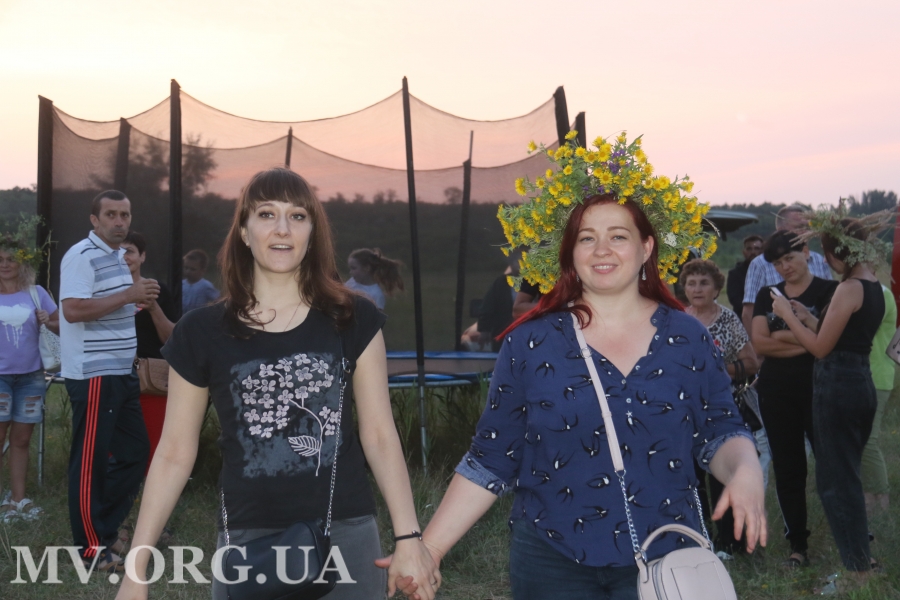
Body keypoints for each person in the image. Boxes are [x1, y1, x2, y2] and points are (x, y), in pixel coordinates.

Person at [387, 184, 766, 599]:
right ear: (570, 253)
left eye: (617, 236)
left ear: (646, 248)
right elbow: (491, 457)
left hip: (667, 556)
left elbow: (719, 431)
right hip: (552, 561)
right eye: (587, 238)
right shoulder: (530, 342)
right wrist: (431, 549)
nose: (602, 249)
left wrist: (746, 471)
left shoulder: (688, 337)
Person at [115, 168, 438, 600]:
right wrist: (136, 570)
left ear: (312, 232)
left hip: (345, 535)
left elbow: (379, 435)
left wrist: (409, 538)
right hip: (248, 542)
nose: (282, 228)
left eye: (297, 216)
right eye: (266, 214)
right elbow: (174, 452)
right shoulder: (201, 331)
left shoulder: (353, 318)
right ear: (244, 232)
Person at [770, 209, 891, 588]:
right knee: (847, 477)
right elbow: (843, 336)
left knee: (837, 484)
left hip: (837, 387)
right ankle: (862, 561)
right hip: (859, 383)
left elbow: (822, 349)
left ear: (838, 253)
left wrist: (786, 315)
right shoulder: (872, 285)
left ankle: (857, 571)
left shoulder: (848, 288)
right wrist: (808, 318)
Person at [59, 190, 157, 571]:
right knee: (90, 463)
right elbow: (72, 310)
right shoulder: (81, 256)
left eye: (125, 215)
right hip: (94, 374)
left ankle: (105, 530)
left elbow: (107, 306)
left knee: (135, 453)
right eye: (111, 215)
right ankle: (90, 550)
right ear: (94, 220)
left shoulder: (117, 257)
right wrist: (129, 294)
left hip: (121, 371)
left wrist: (135, 300)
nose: (119, 222)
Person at [750, 230, 837, 568]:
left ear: (806, 251)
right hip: (776, 392)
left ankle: (847, 537)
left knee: (831, 466)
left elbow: (831, 341)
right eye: (777, 263)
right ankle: (797, 545)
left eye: (789, 258)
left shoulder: (829, 291)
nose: (784, 267)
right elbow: (760, 343)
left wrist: (785, 334)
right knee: (788, 469)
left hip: (819, 389)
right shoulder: (768, 295)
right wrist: (810, 341)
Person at [680, 258, 760, 558]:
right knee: (690, 477)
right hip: (683, 412)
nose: (697, 289)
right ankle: (699, 540)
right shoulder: (677, 319)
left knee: (721, 475)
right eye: (691, 283)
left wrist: (717, 372)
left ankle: (730, 543)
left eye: (704, 283)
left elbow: (751, 363)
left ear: (716, 289)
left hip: (719, 410)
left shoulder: (727, 320)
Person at [0, 217, 59, 522]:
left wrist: (48, 320)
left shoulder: (36, 292)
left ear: (22, 262)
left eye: (11, 259)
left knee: (22, 439)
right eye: (0, 259)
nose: (5, 264)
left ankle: (18, 498)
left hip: (32, 377)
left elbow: (61, 324)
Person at [121, 231, 177, 469]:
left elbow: (171, 339)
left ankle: (152, 480)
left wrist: (153, 308)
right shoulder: (101, 292)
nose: (123, 257)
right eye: (117, 252)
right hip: (113, 372)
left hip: (149, 376)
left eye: (129, 251)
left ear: (142, 256)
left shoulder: (157, 290)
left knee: (153, 433)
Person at [740, 205, 832, 334]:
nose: (805, 232)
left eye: (807, 227)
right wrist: (757, 344)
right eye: (799, 227)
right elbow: (749, 311)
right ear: (781, 230)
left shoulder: (820, 260)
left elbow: (832, 307)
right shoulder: (760, 264)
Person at [862, 284, 896, 514]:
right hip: (862, 375)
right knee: (860, 442)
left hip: (876, 376)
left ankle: (881, 502)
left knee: (868, 441)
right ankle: (868, 499)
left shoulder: (880, 293)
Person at [472, 247, 523, 351]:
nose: (517, 265)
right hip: (502, 335)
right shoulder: (501, 283)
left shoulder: (538, 284)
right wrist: (484, 330)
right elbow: (488, 306)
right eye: (514, 261)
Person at [726, 234, 763, 311]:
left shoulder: (770, 272)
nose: (753, 252)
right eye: (749, 249)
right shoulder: (735, 274)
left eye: (757, 248)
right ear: (744, 252)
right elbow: (734, 299)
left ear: (762, 251)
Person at [181, 249, 219, 314]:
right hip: (182, 317)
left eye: (193, 269)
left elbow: (217, 301)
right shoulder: (181, 284)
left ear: (202, 271)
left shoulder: (205, 286)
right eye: (186, 268)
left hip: (198, 317)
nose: (188, 271)